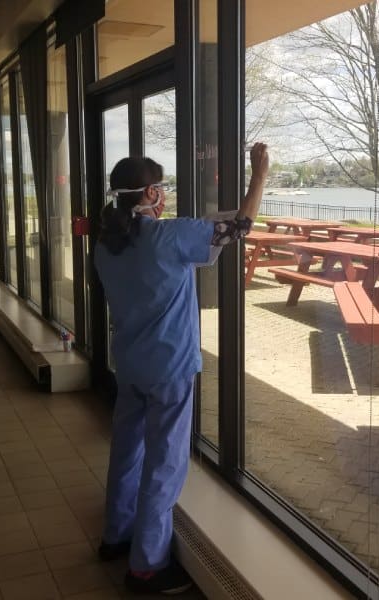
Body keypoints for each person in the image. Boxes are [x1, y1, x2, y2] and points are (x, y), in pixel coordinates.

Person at [94, 143, 269, 595]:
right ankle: (147, 566)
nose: (165, 196)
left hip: (129, 364)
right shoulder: (167, 237)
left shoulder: (107, 243)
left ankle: (116, 536)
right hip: (168, 367)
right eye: (162, 189)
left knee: (128, 450)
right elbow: (242, 224)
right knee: (164, 464)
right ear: (150, 192)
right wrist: (259, 172)